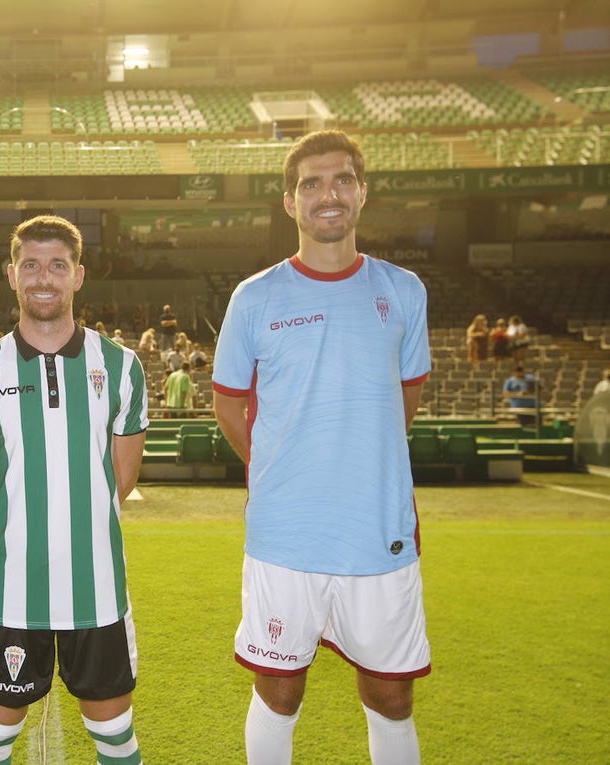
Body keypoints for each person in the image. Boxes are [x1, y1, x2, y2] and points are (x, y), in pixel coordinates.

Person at [213, 130, 431, 765]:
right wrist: (285, 470)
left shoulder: (405, 291)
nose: (326, 194)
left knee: (391, 697)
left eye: (340, 180)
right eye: (310, 183)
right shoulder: (254, 297)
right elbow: (229, 405)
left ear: (362, 193)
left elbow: (404, 402)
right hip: (286, 535)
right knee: (278, 690)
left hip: (377, 531)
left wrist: (363, 459)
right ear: (290, 202)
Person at [0, 215, 149, 765]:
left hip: (97, 587)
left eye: (57, 266)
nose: (44, 278)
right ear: (11, 274)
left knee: (117, 736)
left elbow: (122, 478)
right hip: (13, 588)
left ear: (78, 276)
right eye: (31, 265)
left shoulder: (122, 367)